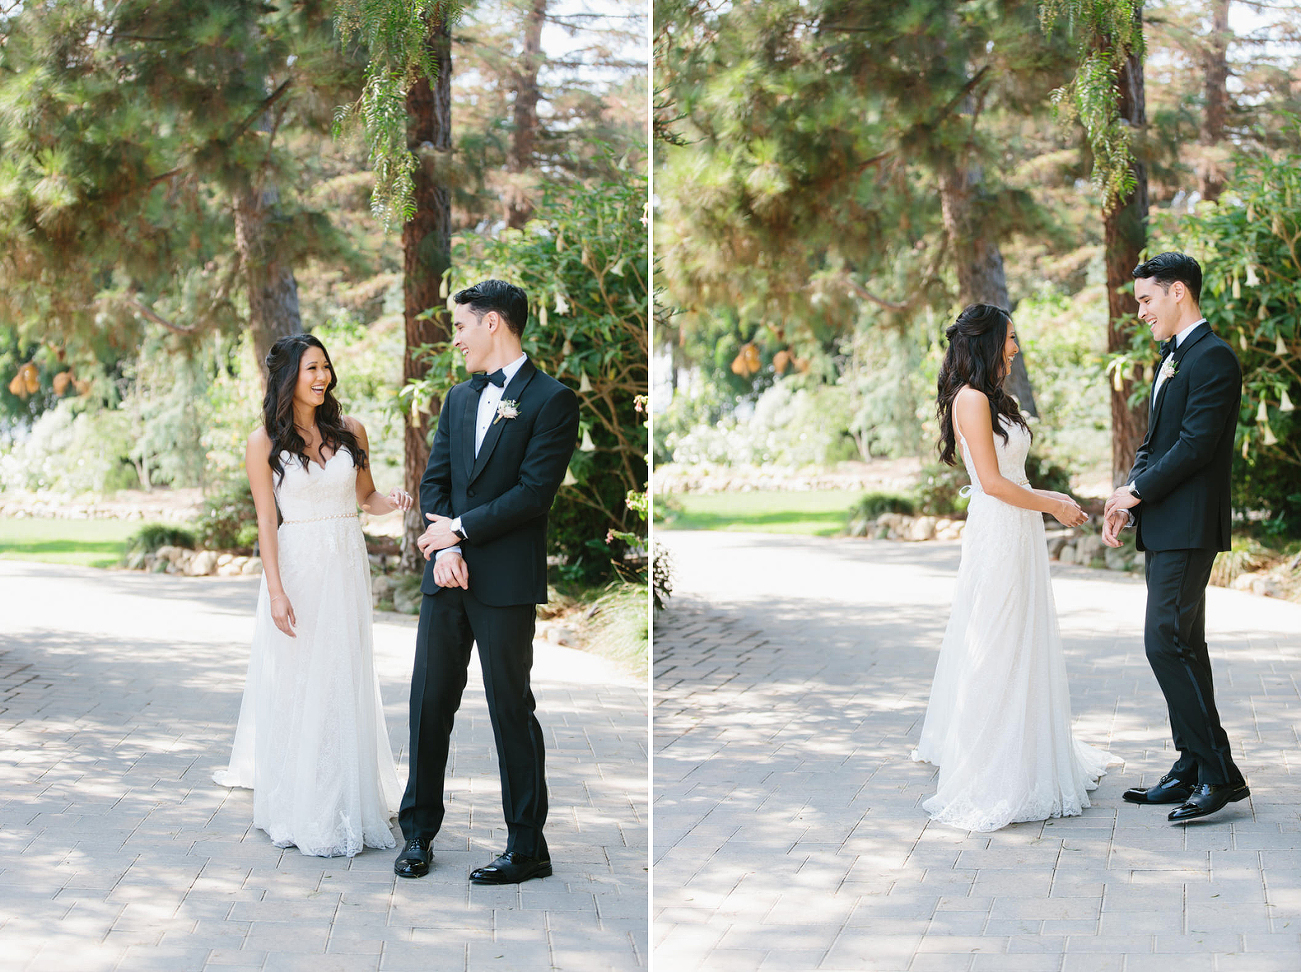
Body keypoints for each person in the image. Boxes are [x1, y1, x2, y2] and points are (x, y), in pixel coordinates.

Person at [393, 279, 580, 883]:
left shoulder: (553, 401)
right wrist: (444, 550)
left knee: (510, 709)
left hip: (503, 582)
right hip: (446, 578)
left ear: (493, 322)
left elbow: (532, 495)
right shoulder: (458, 398)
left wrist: (460, 535)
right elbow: (435, 482)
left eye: (461, 326)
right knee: (428, 704)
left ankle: (528, 849)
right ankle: (417, 833)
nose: (457, 338)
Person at [911, 303, 1116, 832]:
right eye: (1010, 338)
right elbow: (994, 482)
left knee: (1023, 637)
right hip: (998, 529)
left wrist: (1042, 504)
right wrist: (1054, 501)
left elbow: (1011, 476)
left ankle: (1030, 748)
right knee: (995, 641)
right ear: (986, 343)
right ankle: (990, 766)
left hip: (1017, 529)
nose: (1016, 347)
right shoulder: (972, 399)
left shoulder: (999, 399)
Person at [214, 333, 412, 858]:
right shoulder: (264, 442)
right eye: (311, 369)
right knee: (301, 684)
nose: (322, 377)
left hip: (346, 569)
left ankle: (347, 795)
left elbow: (365, 497)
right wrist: (275, 591)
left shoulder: (351, 431)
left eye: (325, 367)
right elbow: (265, 519)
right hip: (298, 572)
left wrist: (388, 501)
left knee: (343, 677)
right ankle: (301, 802)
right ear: (288, 378)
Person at [1102, 251, 1248, 822]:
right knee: (1186, 645)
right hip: (1166, 524)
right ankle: (1194, 766)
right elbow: (1155, 443)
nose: (1140, 312)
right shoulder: (1173, 359)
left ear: (1178, 292)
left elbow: (1195, 446)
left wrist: (1137, 494)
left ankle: (1217, 774)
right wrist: (1126, 494)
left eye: (1146, 299)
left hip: (1190, 526)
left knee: (1164, 641)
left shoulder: (1213, 359)